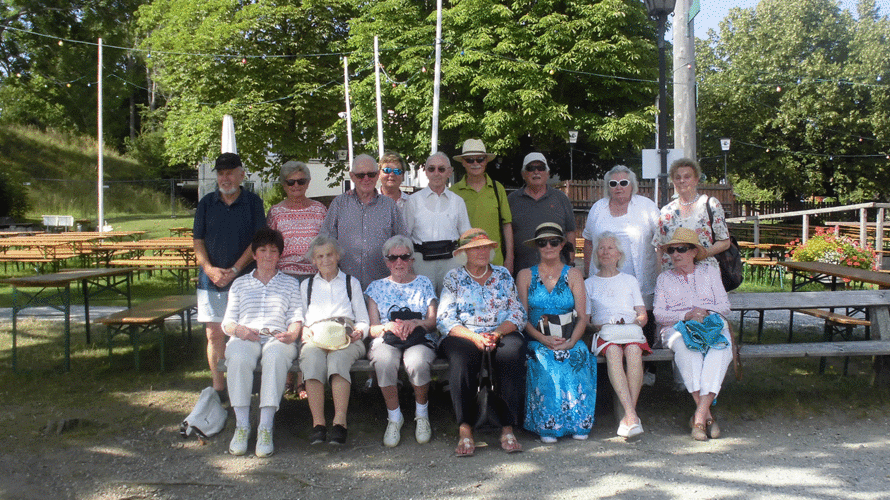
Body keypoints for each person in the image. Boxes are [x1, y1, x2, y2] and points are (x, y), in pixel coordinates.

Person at [437, 228, 527, 456]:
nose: (482, 251)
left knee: (512, 353)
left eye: (485, 246)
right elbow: (445, 319)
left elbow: (517, 313)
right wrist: (474, 337)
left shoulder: (503, 275)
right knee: (462, 358)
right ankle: (465, 429)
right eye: (476, 247)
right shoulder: (454, 278)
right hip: (464, 334)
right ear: (465, 252)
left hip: (500, 332)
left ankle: (507, 428)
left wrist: (497, 333)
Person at [222, 228, 303, 457]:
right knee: (237, 356)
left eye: (273, 251)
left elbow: (296, 317)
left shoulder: (290, 284)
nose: (268, 255)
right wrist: (239, 330)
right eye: (263, 250)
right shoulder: (240, 285)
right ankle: (242, 426)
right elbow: (227, 322)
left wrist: (292, 333)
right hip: (246, 335)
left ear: (280, 255)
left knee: (275, 357)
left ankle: (265, 426)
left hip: (278, 337)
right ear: (254, 255)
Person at [193, 152, 266, 401]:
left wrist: (235, 269)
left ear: (241, 174)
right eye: (221, 173)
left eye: (230, 172)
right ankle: (218, 389)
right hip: (210, 279)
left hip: (245, 278)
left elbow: (257, 241)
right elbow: (198, 241)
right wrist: (209, 269)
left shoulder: (254, 202)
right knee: (214, 334)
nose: (225, 178)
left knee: (244, 332)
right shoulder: (206, 203)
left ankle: (246, 382)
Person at [515, 223, 595, 444]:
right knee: (545, 357)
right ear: (537, 247)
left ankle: (578, 421)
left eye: (553, 241)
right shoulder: (525, 275)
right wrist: (543, 339)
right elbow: (521, 317)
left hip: (569, 336)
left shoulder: (574, 274)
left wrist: (571, 342)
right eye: (542, 242)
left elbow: (582, 316)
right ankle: (547, 423)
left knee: (577, 353)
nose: (548, 246)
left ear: (562, 245)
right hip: (536, 337)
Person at [653, 228, 732, 442]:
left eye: (682, 249)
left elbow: (725, 305)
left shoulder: (709, 273)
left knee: (721, 351)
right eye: (671, 250)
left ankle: (698, 416)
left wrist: (704, 313)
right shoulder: (664, 279)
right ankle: (706, 417)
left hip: (710, 325)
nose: (676, 254)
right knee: (689, 351)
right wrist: (686, 315)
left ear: (694, 251)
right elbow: (659, 314)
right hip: (677, 328)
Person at [365, 235, 438, 447]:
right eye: (393, 258)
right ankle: (394, 417)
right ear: (386, 261)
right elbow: (372, 328)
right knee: (384, 361)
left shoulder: (424, 283)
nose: (399, 262)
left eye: (404, 257)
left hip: (419, 337)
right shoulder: (375, 287)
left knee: (416, 361)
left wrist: (416, 322)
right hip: (387, 340)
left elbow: (432, 322)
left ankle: (421, 415)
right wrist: (389, 326)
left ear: (412, 260)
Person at [299, 234, 370, 445]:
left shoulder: (350, 282)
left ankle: (340, 423)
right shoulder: (307, 286)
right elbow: (301, 318)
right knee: (311, 358)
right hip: (316, 336)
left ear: (337, 256)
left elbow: (364, 319)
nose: (325, 260)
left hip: (346, 335)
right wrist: (304, 330)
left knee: (338, 360)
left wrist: (359, 331)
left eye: (329, 254)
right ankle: (318, 424)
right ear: (313, 260)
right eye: (319, 256)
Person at [585, 232, 651, 439]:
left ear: (619, 254)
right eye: (601, 248)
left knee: (633, 351)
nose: (605, 252)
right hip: (606, 333)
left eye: (610, 248)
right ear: (596, 253)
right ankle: (631, 414)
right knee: (613, 351)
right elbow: (586, 321)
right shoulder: (589, 283)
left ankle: (628, 415)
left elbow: (642, 315)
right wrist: (601, 325)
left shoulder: (629, 280)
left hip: (630, 331)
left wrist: (635, 322)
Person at [322, 153, 407, 289]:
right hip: (345, 285)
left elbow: (402, 242)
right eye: (361, 175)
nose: (366, 179)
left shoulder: (389, 206)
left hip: (383, 285)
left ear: (378, 174)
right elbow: (326, 241)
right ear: (352, 176)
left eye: (371, 174)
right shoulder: (339, 204)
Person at [582, 165, 659, 308]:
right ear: (608, 187)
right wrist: (588, 273)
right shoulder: (598, 208)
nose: (619, 187)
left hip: (639, 286)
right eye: (613, 184)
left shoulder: (647, 207)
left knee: (640, 324)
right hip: (602, 284)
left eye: (624, 183)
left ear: (632, 185)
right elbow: (588, 242)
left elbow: (662, 240)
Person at [404, 152, 472, 294]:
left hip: (451, 261)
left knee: (451, 304)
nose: (436, 173)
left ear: (449, 172)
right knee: (423, 303)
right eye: (431, 169)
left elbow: (466, 235)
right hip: (421, 262)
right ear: (426, 172)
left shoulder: (457, 201)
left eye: (441, 169)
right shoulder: (413, 201)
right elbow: (405, 236)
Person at [653, 158, 731, 271]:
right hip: (672, 276)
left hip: (704, 273)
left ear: (696, 180)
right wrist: (660, 278)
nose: (682, 181)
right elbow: (659, 248)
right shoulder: (666, 211)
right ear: (673, 181)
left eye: (687, 177)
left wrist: (703, 254)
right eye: (678, 177)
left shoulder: (710, 204)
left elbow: (725, 242)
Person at [451, 139, 514, 273]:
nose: (475, 163)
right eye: (470, 160)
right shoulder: (453, 192)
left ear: (486, 161)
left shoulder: (498, 189)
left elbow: (506, 225)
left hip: (495, 261)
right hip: (464, 262)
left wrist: (510, 258)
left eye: (480, 159)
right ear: (463, 162)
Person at [508, 153, 576, 273]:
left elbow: (570, 232)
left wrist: (570, 262)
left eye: (541, 168)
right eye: (531, 168)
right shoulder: (512, 200)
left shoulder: (561, 198)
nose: (536, 172)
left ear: (548, 173)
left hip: (557, 272)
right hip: (522, 272)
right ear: (523, 174)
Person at [266, 160, 327, 279]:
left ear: (308, 183)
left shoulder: (320, 210)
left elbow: (327, 243)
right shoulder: (275, 213)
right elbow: (270, 247)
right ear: (284, 184)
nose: (296, 186)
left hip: (316, 275)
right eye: (290, 182)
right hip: (284, 275)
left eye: (301, 181)